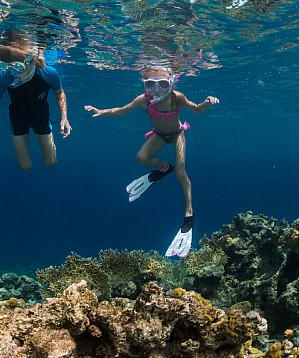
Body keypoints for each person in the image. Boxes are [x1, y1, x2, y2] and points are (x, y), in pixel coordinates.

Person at [84, 66, 219, 257]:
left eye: (162, 84)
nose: (156, 90)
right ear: (145, 85)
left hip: (177, 134)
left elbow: (196, 109)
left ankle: (189, 213)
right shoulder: (144, 99)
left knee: (181, 172)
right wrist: (102, 111)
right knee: (141, 158)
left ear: (171, 83)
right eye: (150, 85)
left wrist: (207, 103)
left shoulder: (177, 97)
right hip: (159, 135)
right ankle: (164, 168)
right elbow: (123, 110)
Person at [0, 32, 71, 171]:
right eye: (4, 66)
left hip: (40, 114)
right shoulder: (5, 76)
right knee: (25, 166)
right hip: (17, 116)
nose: (12, 72)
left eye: (17, 67)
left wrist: (64, 117)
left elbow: (59, 93)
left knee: (50, 161)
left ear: (30, 60)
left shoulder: (48, 73)